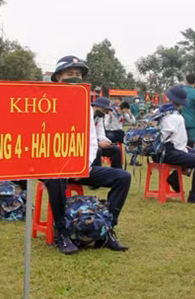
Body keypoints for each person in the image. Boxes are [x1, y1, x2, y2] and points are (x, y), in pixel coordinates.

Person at [44, 56, 131, 254]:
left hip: (79, 164)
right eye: (69, 74)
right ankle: (62, 232)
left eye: (78, 75)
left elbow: (91, 141)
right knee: (56, 179)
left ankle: (106, 228)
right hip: (51, 165)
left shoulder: (83, 105)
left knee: (122, 177)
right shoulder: (45, 101)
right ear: (58, 77)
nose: (75, 78)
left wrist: (82, 165)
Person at [159, 86, 195, 204]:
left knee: (194, 153)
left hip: (158, 151)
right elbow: (180, 144)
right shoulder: (178, 118)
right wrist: (186, 153)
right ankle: (193, 194)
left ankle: (174, 178)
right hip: (169, 153)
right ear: (181, 103)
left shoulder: (161, 112)